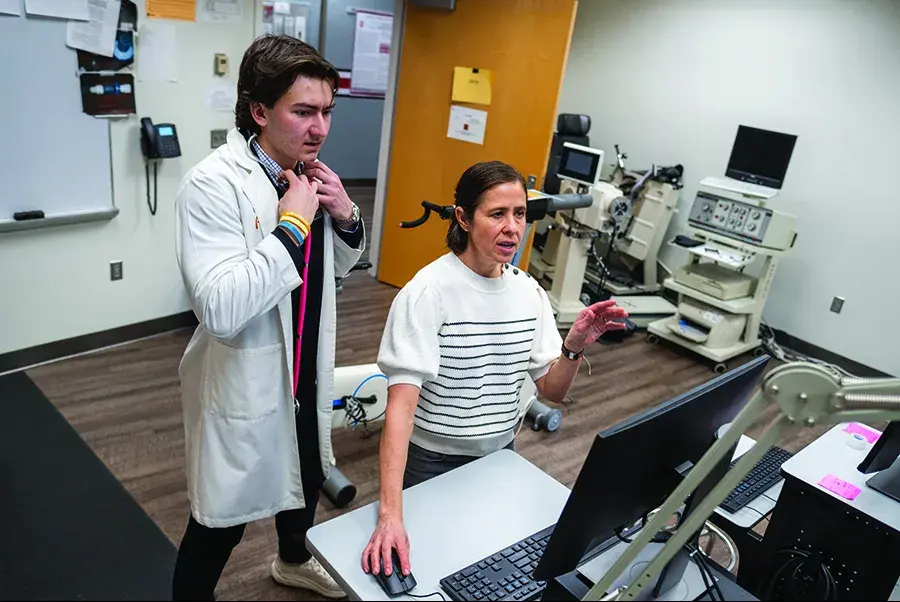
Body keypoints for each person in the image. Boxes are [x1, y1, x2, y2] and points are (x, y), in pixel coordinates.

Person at [360, 161, 626, 579]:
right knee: (431, 572)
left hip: (501, 455)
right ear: (463, 218)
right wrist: (390, 514)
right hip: (432, 461)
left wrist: (573, 346)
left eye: (519, 214)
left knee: (491, 567)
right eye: (497, 214)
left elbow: (551, 392)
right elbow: (400, 411)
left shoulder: (529, 293)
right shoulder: (427, 294)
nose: (512, 228)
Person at [172, 35, 365, 601]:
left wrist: (345, 216)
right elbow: (219, 307)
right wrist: (292, 227)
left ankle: (292, 559)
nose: (320, 128)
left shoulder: (306, 175)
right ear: (259, 111)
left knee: (306, 472)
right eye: (303, 111)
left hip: (305, 361)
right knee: (221, 519)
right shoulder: (212, 184)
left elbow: (333, 271)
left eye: (327, 111)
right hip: (246, 376)